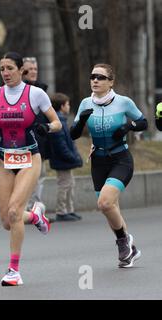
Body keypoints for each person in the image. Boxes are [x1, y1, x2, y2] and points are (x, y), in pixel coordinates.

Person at [0, 52, 62, 286]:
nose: (5, 73)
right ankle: (35, 215)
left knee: (15, 212)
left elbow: (57, 122)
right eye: (2, 69)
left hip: (29, 157)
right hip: (5, 159)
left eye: (9, 68)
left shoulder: (35, 94)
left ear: (20, 70)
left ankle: (14, 271)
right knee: (7, 221)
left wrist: (46, 128)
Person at [70, 63, 148, 268]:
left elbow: (143, 123)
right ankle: (130, 251)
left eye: (101, 77)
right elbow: (73, 134)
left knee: (104, 203)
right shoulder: (86, 103)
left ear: (111, 82)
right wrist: (81, 122)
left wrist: (125, 127)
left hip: (120, 159)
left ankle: (123, 241)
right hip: (98, 161)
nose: (95, 80)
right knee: (110, 208)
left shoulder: (123, 102)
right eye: (92, 76)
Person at [48, 93, 83, 222]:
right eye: (67, 104)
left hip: (65, 160)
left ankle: (69, 210)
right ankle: (61, 211)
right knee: (64, 185)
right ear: (62, 106)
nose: (69, 106)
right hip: (61, 160)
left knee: (70, 184)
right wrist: (72, 157)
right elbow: (61, 145)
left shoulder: (62, 120)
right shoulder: (58, 122)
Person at [22, 57, 51, 211]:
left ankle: (36, 209)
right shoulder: (18, 91)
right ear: (22, 71)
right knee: (28, 177)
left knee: (40, 177)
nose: (33, 72)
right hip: (23, 144)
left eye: (35, 69)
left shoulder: (41, 91)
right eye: (29, 69)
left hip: (41, 143)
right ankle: (27, 209)